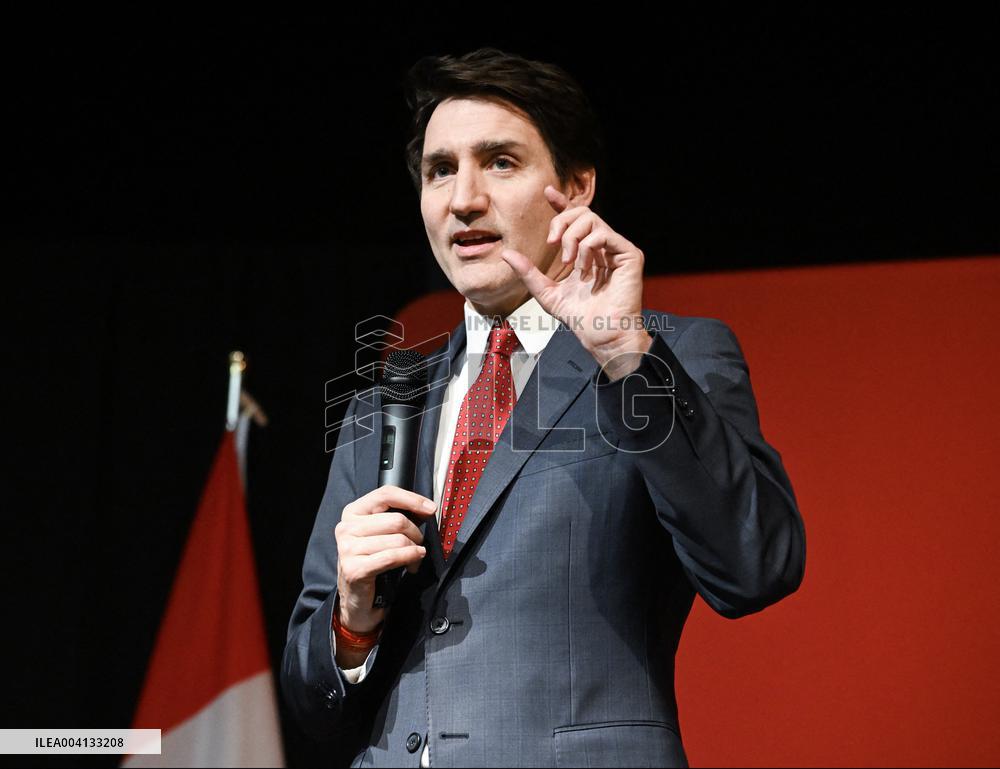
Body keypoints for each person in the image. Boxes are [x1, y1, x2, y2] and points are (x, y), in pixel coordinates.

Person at [281, 47, 806, 768]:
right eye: (440, 170)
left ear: (578, 189)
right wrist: (350, 623)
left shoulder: (665, 356)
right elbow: (309, 700)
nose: (463, 198)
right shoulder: (381, 402)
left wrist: (626, 355)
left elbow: (757, 565)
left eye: (500, 162)